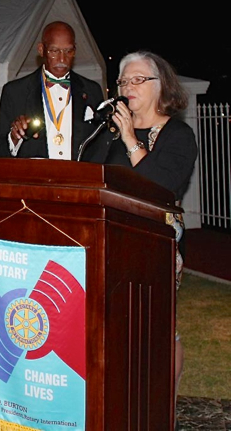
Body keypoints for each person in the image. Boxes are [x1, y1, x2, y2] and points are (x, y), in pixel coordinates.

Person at [85, 50, 197, 427]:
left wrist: (132, 138)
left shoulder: (178, 134)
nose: (127, 87)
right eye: (122, 81)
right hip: (108, 237)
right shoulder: (109, 133)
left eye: (137, 80)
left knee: (160, 326)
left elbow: (162, 187)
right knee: (114, 324)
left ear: (159, 85)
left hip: (156, 238)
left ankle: (164, 404)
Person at [0, 21, 105, 160]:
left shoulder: (91, 90)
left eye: (68, 51)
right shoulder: (15, 92)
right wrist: (14, 137)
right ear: (41, 50)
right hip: (35, 180)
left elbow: (101, 147)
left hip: (80, 180)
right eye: (54, 51)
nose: (62, 58)